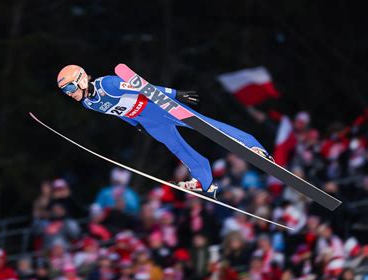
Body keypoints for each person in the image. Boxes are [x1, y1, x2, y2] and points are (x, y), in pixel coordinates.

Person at [57, 65, 273, 194]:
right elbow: (118, 112)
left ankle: (252, 146)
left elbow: (143, 88)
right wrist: (137, 125)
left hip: (156, 107)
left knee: (207, 126)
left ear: (82, 79)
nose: (68, 93)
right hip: (147, 121)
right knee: (177, 147)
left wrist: (175, 94)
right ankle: (204, 180)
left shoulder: (108, 85)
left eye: (69, 87)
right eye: (64, 91)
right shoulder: (88, 103)